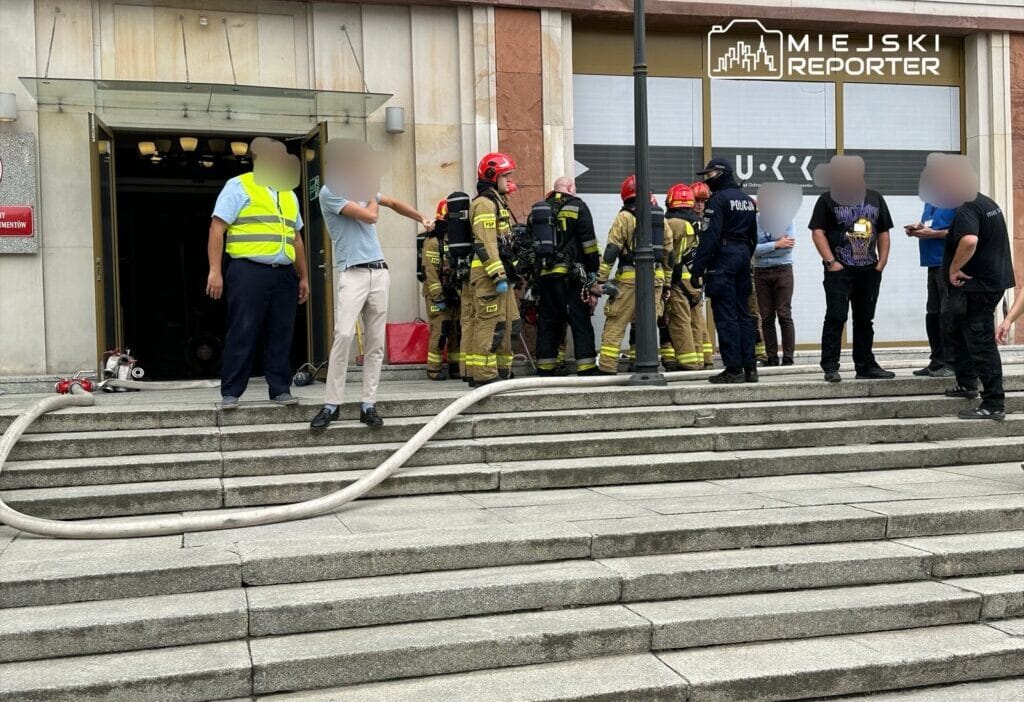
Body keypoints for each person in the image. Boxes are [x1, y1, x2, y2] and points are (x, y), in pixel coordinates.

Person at [310, 139, 430, 429]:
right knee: (343, 336)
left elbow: (393, 203)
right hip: (353, 274)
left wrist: (421, 217)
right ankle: (332, 404)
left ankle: (368, 404)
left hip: (379, 272)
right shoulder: (330, 193)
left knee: (376, 344)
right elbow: (371, 215)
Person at [206, 137, 309, 409]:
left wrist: (304, 276)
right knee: (243, 328)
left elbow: (296, 238)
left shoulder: (288, 193)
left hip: (284, 274)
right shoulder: (239, 185)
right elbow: (217, 229)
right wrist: (214, 271)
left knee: (281, 331)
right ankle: (231, 392)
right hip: (248, 271)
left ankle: (279, 389)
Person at [809, 155, 895, 383]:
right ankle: (830, 366)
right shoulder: (827, 199)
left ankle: (865, 365)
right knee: (836, 317)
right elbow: (817, 232)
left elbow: (884, 232)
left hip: (869, 270)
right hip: (840, 270)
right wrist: (831, 262)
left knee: (865, 320)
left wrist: (881, 262)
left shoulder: (876, 198)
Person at [943, 190, 1016, 420]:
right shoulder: (985, 202)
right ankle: (967, 383)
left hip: (979, 286)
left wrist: (954, 269)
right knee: (959, 329)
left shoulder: (968, 206)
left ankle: (994, 402)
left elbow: (969, 240)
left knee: (980, 342)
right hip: (989, 282)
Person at [690, 157, 758, 384]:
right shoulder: (748, 201)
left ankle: (733, 368)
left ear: (722, 174)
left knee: (726, 315)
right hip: (742, 256)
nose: (707, 180)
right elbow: (753, 237)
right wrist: (744, 257)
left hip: (723, 259)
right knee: (744, 315)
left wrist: (697, 269)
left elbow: (709, 236)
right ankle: (750, 368)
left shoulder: (717, 200)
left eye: (710, 175)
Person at [593, 175, 669, 375]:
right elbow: (670, 252)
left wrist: (600, 279)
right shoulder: (660, 217)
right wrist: (667, 283)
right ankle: (644, 363)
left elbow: (612, 249)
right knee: (646, 323)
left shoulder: (625, 217)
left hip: (629, 280)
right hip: (656, 279)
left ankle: (607, 367)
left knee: (616, 323)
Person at [534, 177, 601, 376]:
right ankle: (586, 366)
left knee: (548, 322)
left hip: (546, 276)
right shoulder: (578, 207)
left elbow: (531, 245)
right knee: (579, 320)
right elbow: (588, 243)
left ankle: (546, 366)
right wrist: (592, 273)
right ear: (571, 188)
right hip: (572, 276)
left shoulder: (540, 209)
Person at [467, 152, 521, 387]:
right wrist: (498, 273)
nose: (509, 181)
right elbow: (485, 242)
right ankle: (484, 374)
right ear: (492, 176)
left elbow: (503, 243)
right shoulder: (484, 205)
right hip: (489, 276)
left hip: (502, 275)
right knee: (490, 325)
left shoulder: (498, 202)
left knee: (509, 324)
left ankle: (502, 369)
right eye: (506, 176)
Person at [905, 202, 957, 377]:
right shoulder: (930, 203)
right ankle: (937, 361)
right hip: (931, 263)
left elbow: (962, 232)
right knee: (933, 314)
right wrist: (918, 229)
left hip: (948, 263)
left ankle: (951, 363)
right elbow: (931, 225)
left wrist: (933, 234)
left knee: (947, 313)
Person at [662, 183, 703, 370]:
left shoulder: (672, 223)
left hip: (678, 279)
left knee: (680, 321)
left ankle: (688, 363)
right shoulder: (698, 222)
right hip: (696, 280)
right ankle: (703, 359)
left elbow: (668, 254)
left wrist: (667, 281)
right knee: (697, 321)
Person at [422, 198, 461, 381]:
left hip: (453, 294)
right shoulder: (433, 242)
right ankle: (434, 369)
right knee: (440, 330)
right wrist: (438, 296)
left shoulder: (454, 239)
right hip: (436, 295)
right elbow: (430, 273)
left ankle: (456, 368)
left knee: (456, 331)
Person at [754, 216, 796, 366]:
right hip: (761, 272)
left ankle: (788, 357)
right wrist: (777, 244)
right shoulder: (755, 221)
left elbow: (788, 247)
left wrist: (765, 247)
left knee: (784, 314)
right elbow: (752, 249)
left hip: (783, 269)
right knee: (766, 316)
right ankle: (771, 357)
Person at [690, 181, 715, 368]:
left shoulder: (708, 221)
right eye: (696, 201)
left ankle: (704, 357)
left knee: (698, 316)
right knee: (698, 315)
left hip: (702, 274)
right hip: (691, 274)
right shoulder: (688, 221)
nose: (699, 205)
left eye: (703, 201)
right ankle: (706, 357)